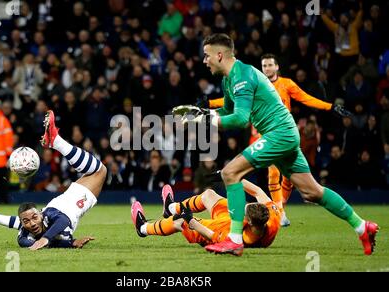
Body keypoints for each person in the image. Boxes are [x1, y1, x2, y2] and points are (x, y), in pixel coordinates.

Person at [173, 33, 378, 256]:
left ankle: (234, 240)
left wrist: (204, 120)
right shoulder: (228, 79)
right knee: (312, 192)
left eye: (207, 55)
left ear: (219, 55)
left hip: (279, 133)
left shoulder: (243, 75)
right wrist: (204, 113)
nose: (204, 60)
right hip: (282, 134)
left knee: (230, 173)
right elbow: (229, 112)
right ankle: (361, 226)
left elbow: (241, 120)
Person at [198, 53, 352, 227]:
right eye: (264, 65)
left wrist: (330, 106)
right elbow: (234, 100)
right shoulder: (250, 79)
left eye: (270, 65)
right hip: (267, 133)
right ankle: (359, 225)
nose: (267, 68)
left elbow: (305, 98)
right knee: (295, 184)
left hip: (280, 132)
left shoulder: (284, 84)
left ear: (277, 67)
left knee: (249, 173)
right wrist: (209, 105)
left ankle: (257, 223)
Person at [0, 110, 107, 250]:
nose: (32, 223)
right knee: (97, 170)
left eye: (35, 217)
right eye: (27, 222)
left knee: (100, 171)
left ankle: (56, 141)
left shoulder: (50, 216)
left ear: (40, 214)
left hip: (74, 201)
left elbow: (63, 221)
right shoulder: (24, 236)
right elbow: (19, 224)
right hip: (68, 198)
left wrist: (45, 239)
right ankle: (56, 141)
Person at [132, 183, 281, 249]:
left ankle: (143, 228)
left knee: (180, 222)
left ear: (248, 221)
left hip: (211, 229)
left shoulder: (235, 239)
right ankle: (170, 207)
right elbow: (259, 192)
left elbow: (211, 235)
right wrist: (231, 176)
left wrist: (190, 219)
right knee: (209, 194)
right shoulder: (272, 217)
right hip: (229, 221)